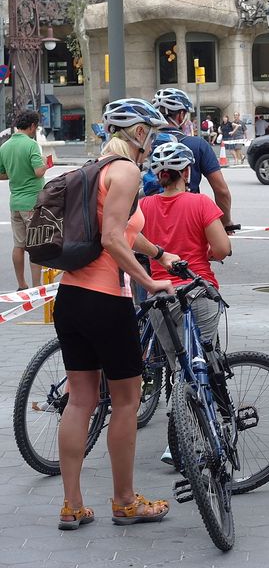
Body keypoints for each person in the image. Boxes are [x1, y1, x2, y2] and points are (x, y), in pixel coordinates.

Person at [52, 99, 176, 530]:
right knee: (126, 401)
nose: (154, 140)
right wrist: (150, 280)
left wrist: (160, 253)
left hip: (70, 298)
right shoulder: (126, 171)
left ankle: (72, 505)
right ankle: (124, 501)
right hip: (106, 299)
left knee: (81, 399)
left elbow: (124, 230)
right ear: (138, 134)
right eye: (152, 132)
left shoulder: (92, 171)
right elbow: (111, 238)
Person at [140, 141, 231, 464]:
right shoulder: (200, 203)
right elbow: (221, 249)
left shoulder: (145, 207)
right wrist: (205, 253)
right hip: (197, 292)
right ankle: (189, 436)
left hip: (161, 297)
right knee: (201, 364)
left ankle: (180, 434)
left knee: (177, 364)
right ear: (187, 172)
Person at [152, 89, 232, 227]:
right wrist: (226, 223)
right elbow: (221, 191)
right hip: (188, 221)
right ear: (181, 115)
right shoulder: (198, 145)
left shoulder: (143, 146)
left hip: (149, 221)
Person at [0, 110, 47, 290]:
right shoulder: (31, 145)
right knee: (35, 245)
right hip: (32, 202)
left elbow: (2, 174)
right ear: (33, 126)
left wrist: (15, 174)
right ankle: (36, 286)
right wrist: (45, 164)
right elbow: (38, 171)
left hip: (16, 203)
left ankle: (22, 284)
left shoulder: (5, 146)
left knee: (18, 245)